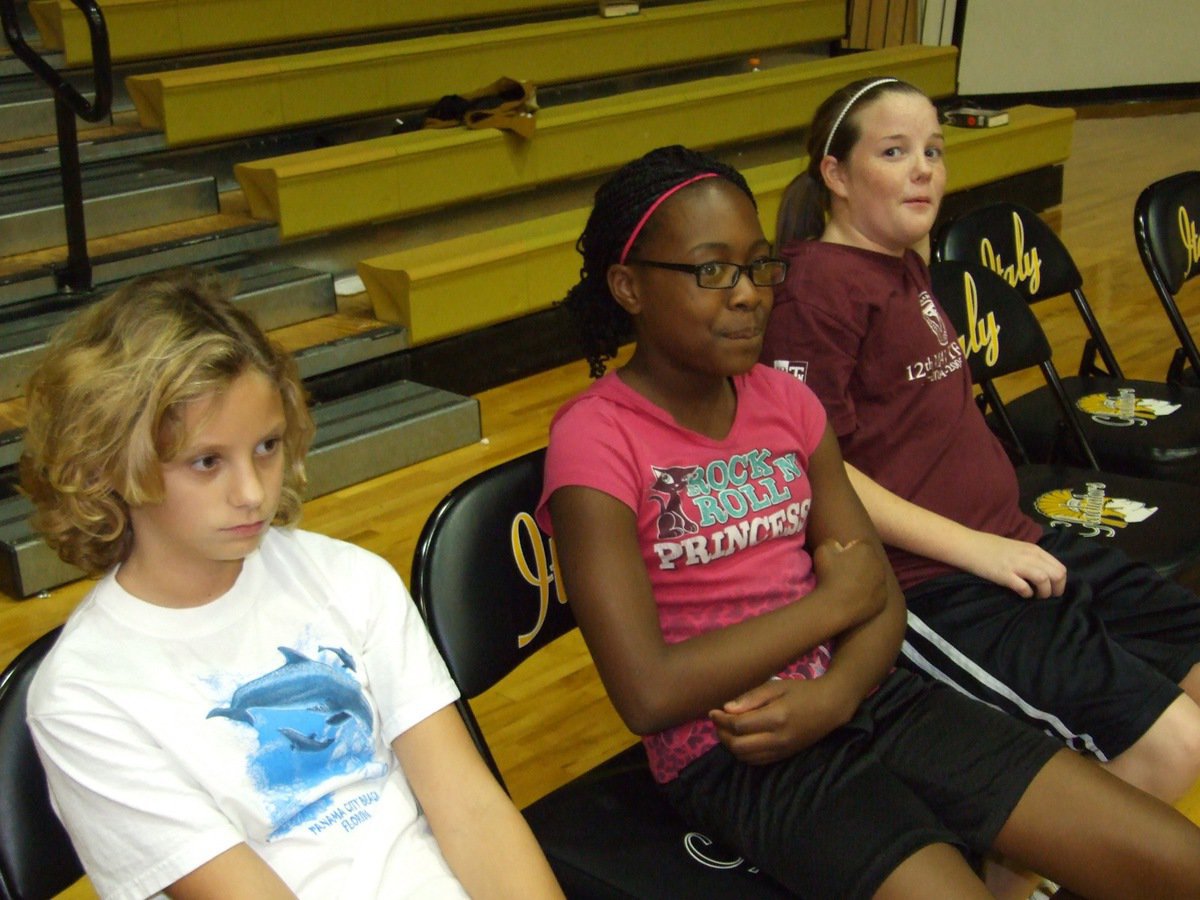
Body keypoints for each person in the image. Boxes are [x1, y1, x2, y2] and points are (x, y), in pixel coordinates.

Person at [534, 143, 1200, 899]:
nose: (749, 294)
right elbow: (649, 691)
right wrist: (831, 605)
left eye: (759, 266)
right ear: (629, 286)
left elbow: (878, 594)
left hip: (870, 691)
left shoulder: (786, 404)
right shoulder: (596, 437)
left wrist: (838, 691)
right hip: (738, 749)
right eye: (711, 271)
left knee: (1176, 863)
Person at [20, 270, 563, 900]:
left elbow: (470, 808)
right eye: (207, 461)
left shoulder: (348, 578)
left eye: (268, 446)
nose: (253, 492)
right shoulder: (85, 697)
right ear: (110, 464)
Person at [760, 76, 1200, 807]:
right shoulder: (815, 293)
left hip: (1019, 542)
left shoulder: (896, 260)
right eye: (894, 151)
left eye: (933, 149)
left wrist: (1006, 545)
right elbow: (815, 474)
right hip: (936, 587)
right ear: (834, 174)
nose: (924, 167)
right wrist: (982, 552)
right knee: (1173, 747)